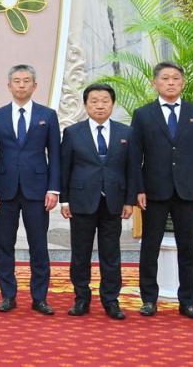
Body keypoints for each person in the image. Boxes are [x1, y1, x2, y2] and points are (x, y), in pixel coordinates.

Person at [133, 61, 193, 320]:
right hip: (154, 191)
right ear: (154, 83)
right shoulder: (143, 114)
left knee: (187, 248)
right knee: (150, 247)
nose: (171, 82)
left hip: (187, 192)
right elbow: (135, 156)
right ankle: (149, 299)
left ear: (183, 83)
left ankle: (188, 302)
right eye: (165, 78)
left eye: (176, 78)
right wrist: (138, 188)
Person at [0, 64, 60, 315]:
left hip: (37, 191)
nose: (21, 85)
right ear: (9, 85)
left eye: (26, 80)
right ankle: (8, 295)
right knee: (4, 244)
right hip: (4, 191)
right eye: (16, 81)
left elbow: (55, 155)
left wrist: (54, 189)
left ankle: (40, 298)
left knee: (38, 245)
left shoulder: (47, 115)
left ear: (35, 85)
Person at [60, 83, 136, 320]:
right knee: (80, 253)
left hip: (114, 201)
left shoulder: (126, 133)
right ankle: (81, 298)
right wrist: (64, 200)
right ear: (85, 105)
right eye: (94, 101)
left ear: (112, 104)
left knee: (111, 253)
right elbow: (65, 168)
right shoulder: (73, 133)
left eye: (105, 101)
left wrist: (129, 201)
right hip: (81, 200)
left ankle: (111, 300)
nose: (100, 105)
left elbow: (132, 169)